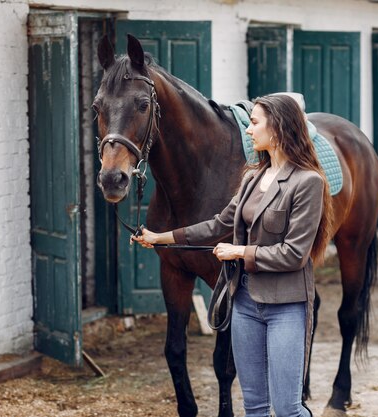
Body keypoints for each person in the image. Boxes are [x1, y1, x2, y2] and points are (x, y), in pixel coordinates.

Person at [132, 94, 333, 417]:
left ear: (278, 128)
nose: (249, 131)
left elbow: (295, 255)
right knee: (253, 406)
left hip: (286, 305)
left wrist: (239, 251)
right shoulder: (251, 177)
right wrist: (162, 238)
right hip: (244, 303)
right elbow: (220, 223)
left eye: (254, 123)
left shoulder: (307, 182)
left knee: (287, 408)